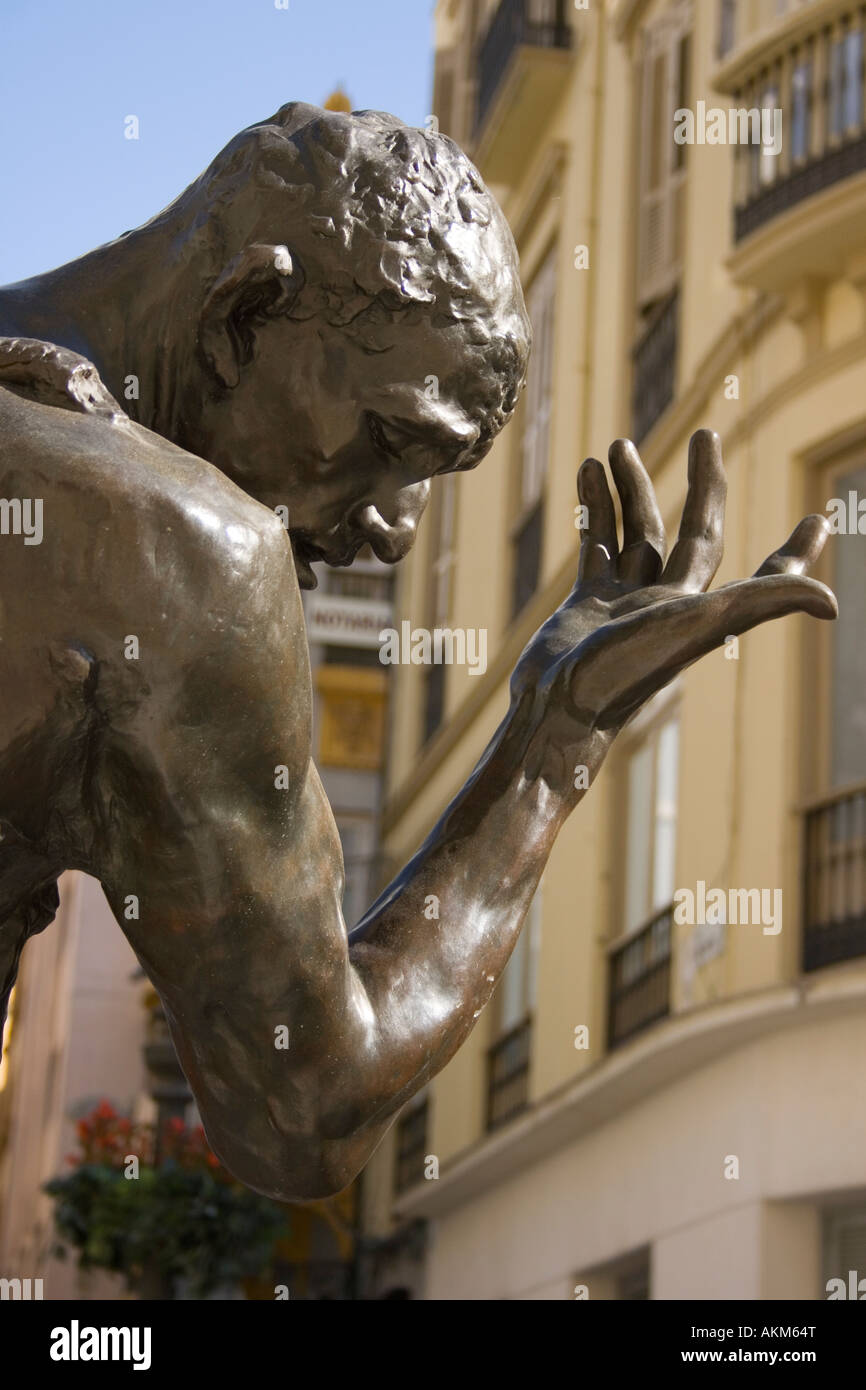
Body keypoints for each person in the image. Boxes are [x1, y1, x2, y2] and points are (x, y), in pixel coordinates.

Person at [0, 104, 835, 1199]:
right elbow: (306, 1106)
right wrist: (550, 743)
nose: (392, 530)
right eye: (391, 442)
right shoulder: (172, 552)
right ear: (242, 316)